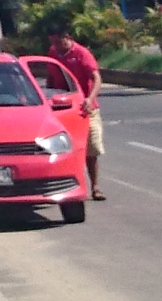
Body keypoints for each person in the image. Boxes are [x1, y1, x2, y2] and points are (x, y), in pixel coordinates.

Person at [47, 29, 105, 200]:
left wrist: (90, 99)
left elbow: (96, 78)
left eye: (58, 42)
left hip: (85, 108)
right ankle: (68, 186)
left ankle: (95, 187)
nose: (56, 46)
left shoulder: (81, 53)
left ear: (67, 37)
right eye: (53, 43)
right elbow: (51, 77)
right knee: (64, 148)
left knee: (91, 149)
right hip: (62, 108)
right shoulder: (53, 53)